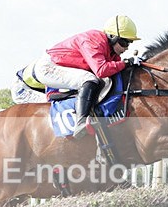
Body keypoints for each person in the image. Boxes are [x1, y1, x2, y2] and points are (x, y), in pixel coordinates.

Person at [13, 15, 142, 138]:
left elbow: (115, 68)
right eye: (124, 42)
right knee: (88, 79)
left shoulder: (110, 50)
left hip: (51, 70)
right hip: (39, 75)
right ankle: (81, 122)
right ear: (112, 37)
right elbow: (101, 70)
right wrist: (125, 63)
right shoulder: (93, 40)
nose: (126, 48)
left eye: (129, 43)